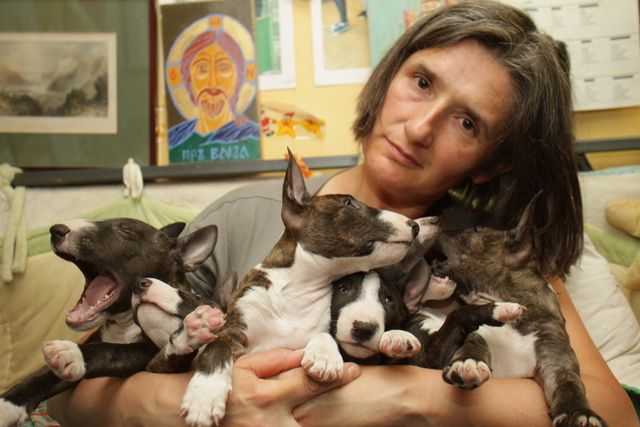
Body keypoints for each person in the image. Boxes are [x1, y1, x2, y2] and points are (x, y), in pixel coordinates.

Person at [48, 2, 639, 426]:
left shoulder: (484, 254)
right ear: (388, 79)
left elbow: (612, 414)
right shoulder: (251, 217)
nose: (419, 125)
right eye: (422, 81)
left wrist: (407, 393)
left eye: (468, 122)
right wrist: (194, 403)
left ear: (490, 162)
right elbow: (66, 395)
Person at [168, 26, 260, 163]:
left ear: (238, 78)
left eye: (223, 68)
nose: (213, 82)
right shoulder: (175, 139)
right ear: (188, 79)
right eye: (202, 69)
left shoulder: (252, 136)